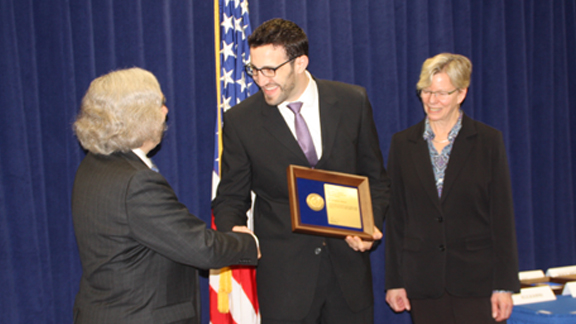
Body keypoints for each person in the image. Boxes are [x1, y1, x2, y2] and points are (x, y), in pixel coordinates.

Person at [212, 18, 389, 324]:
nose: (261, 79)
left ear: (300, 62)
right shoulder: (241, 121)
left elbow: (376, 181)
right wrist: (234, 229)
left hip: (348, 278)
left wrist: (369, 223)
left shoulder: (352, 102)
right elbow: (230, 197)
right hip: (285, 284)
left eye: (270, 70)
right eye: (254, 69)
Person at [71, 67, 259, 324]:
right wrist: (248, 243)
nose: (166, 111)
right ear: (139, 116)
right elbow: (202, 249)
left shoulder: (93, 165)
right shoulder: (136, 182)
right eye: (160, 104)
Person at [385, 53, 520, 323]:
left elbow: (502, 217)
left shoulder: (488, 141)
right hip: (423, 282)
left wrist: (504, 286)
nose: (432, 100)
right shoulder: (402, 144)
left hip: (476, 282)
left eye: (442, 93)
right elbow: (397, 218)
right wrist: (395, 281)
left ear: (461, 94)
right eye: (426, 91)